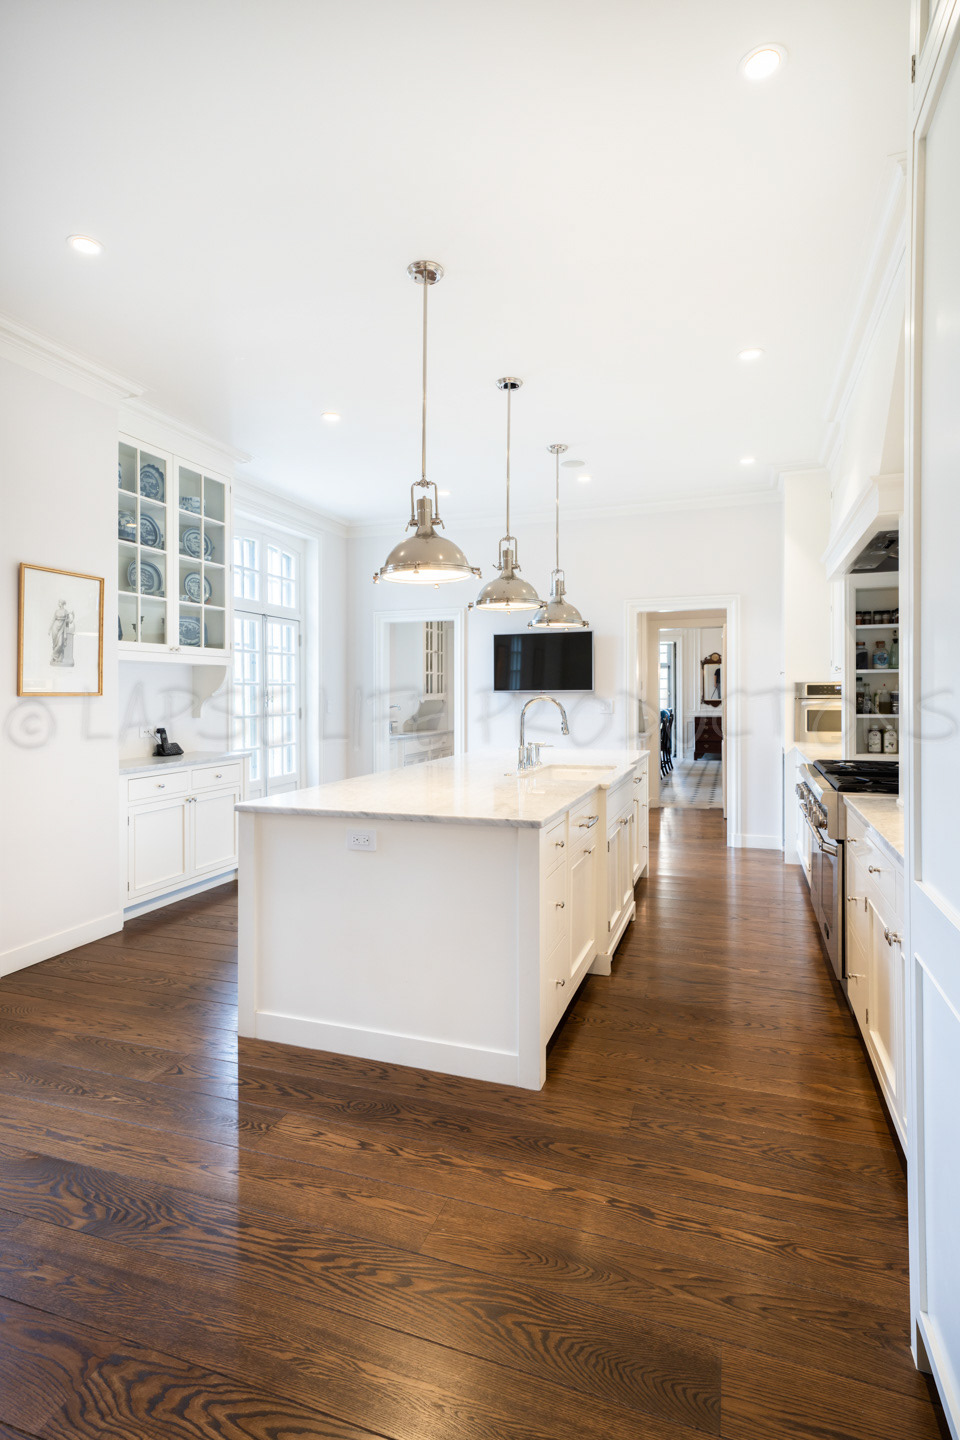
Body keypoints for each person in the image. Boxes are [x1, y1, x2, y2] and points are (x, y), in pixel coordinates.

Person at [49, 599, 75, 666]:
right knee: (55, 644)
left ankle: (53, 655)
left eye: (59, 602)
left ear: (62, 603)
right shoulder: (56, 611)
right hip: (55, 628)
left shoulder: (66, 611)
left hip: (61, 628)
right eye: (58, 602)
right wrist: (49, 629)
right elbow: (53, 620)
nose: (58, 604)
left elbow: (69, 621)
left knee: (60, 644)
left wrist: (73, 616)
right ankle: (55, 658)